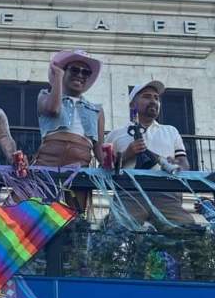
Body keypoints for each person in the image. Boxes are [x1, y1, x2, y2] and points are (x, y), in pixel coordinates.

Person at [106, 80, 194, 225]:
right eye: (147, 96)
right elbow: (104, 168)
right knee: (117, 235)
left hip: (167, 194)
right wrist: (128, 153)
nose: (153, 101)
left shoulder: (171, 131)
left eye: (156, 98)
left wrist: (177, 167)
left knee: (188, 234)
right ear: (133, 104)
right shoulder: (115, 135)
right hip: (129, 193)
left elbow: (183, 162)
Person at [35, 50, 105, 167]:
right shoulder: (44, 96)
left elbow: (99, 149)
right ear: (64, 71)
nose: (80, 75)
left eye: (86, 72)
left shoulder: (96, 110)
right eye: (74, 70)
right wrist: (58, 76)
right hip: (47, 164)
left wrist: (109, 162)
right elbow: (53, 109)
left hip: (80, 167)